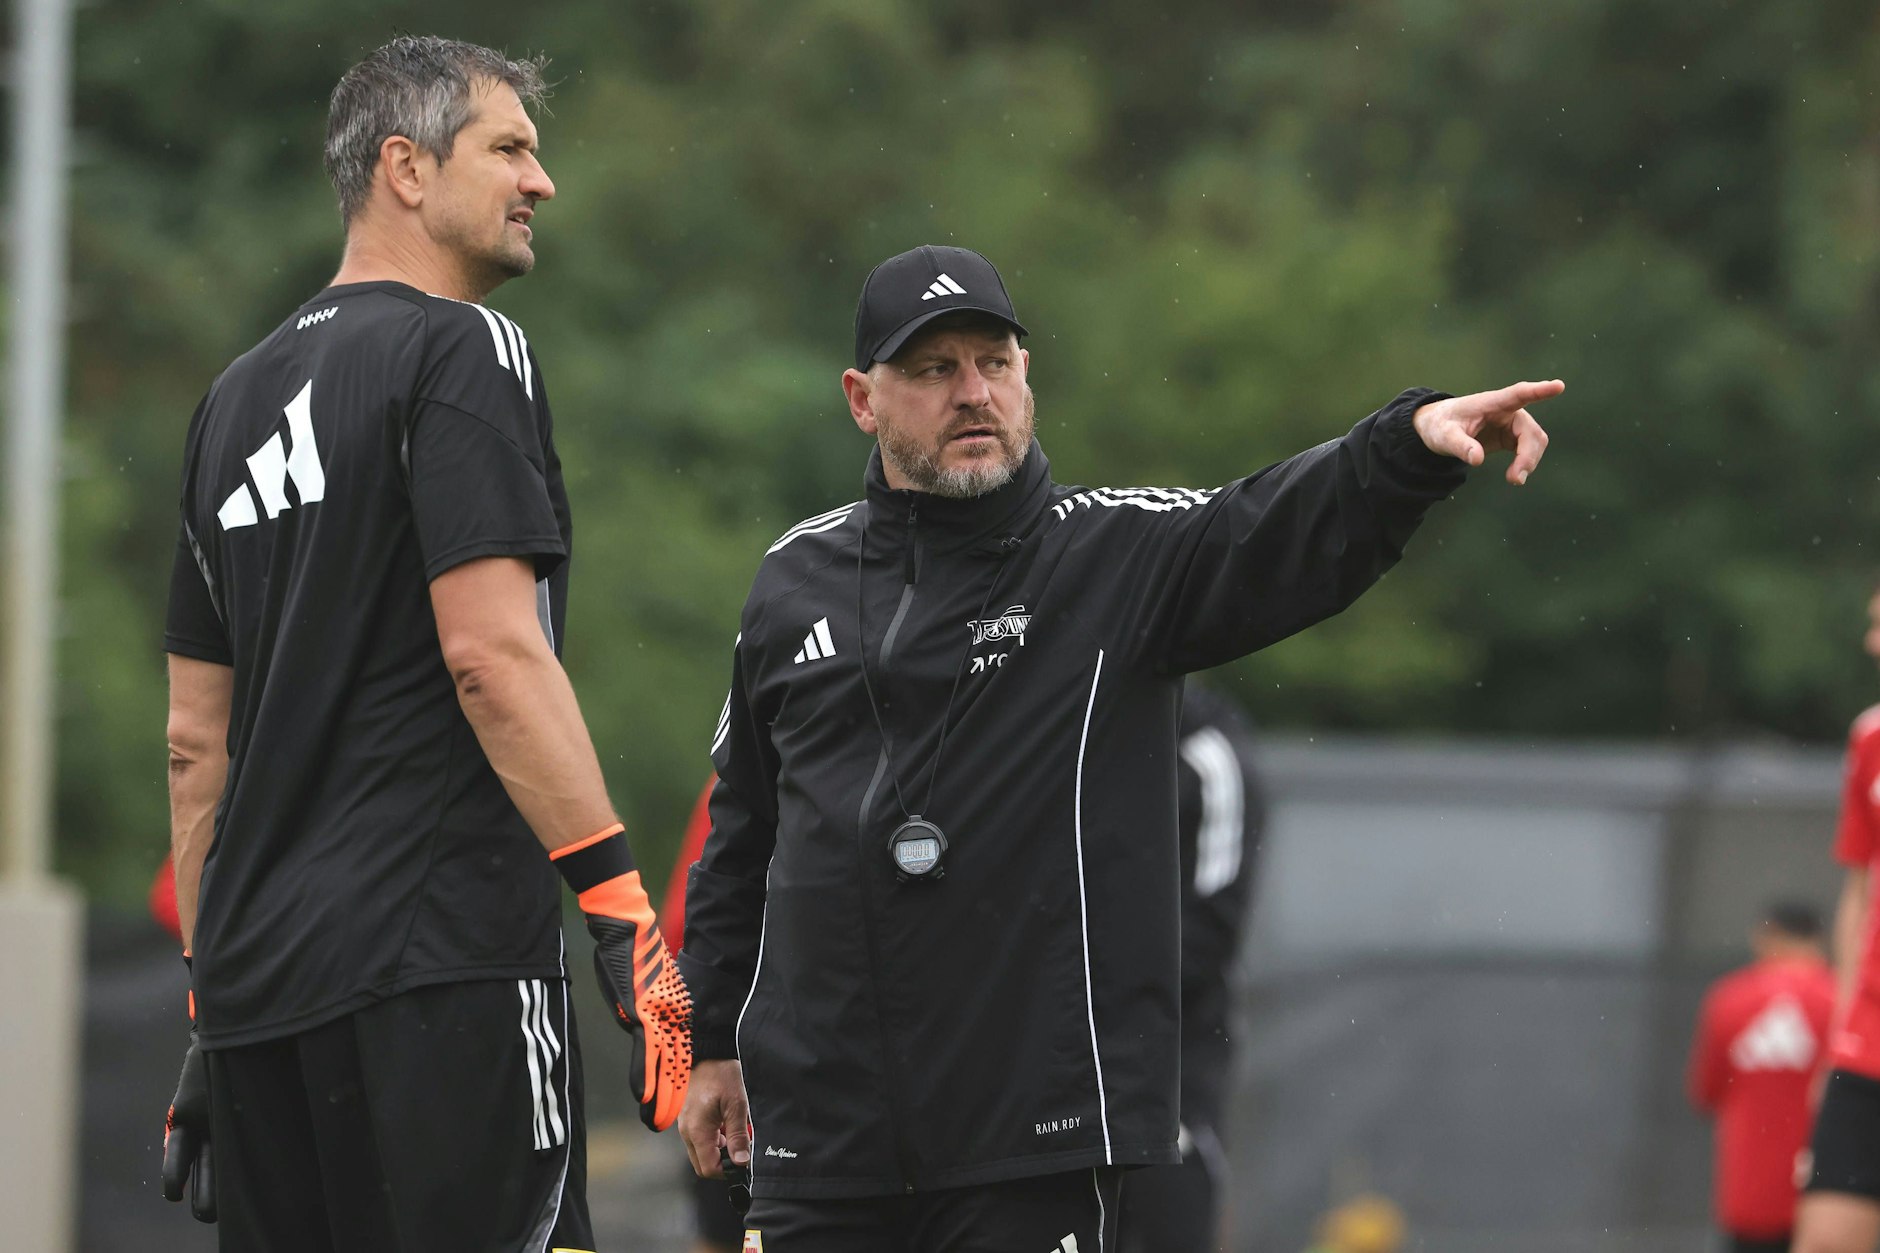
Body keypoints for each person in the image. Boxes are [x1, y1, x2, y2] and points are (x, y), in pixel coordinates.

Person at [676, 243, 1556, 1252]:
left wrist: (1402, 447)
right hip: (819, 1149)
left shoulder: (1111, 557)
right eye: (932, 370)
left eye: (994, 362)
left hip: (1029, 1145)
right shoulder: (793, 579)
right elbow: (737, 843)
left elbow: (1262, 528)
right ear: (860, 399)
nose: (973, 394)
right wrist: (703, 1046)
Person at [159, 36, 690, 1250]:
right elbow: (491, 658)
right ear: (404, 166)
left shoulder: (225, 404)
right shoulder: (462, 347)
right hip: (443, 965)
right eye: (509, 147)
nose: (540, 180)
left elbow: (197, 744)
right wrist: (623, 916)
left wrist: (209, 998)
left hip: (257, 1000)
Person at [1116, 682, 1265, 1253]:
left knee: (1169, 1199)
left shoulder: (1205, 754)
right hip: (1055, 1046)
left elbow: (1209, 927)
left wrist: (1104, 995)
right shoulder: (1067, 725)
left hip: (1170, 1048)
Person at [1797, 587, 1880, 1253]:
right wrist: (1840, 1029)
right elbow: (1858, 891)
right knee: (1826, 1238)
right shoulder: (1870, 736)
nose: (1871, 643)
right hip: (1870, 1045)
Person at [1689, 903, 1836, 1253]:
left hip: (1749, 1196)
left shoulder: (1729, 999)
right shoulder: (1840, 1000)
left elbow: (1705, 1092)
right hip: (1829, 1198)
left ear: (1766, 936)